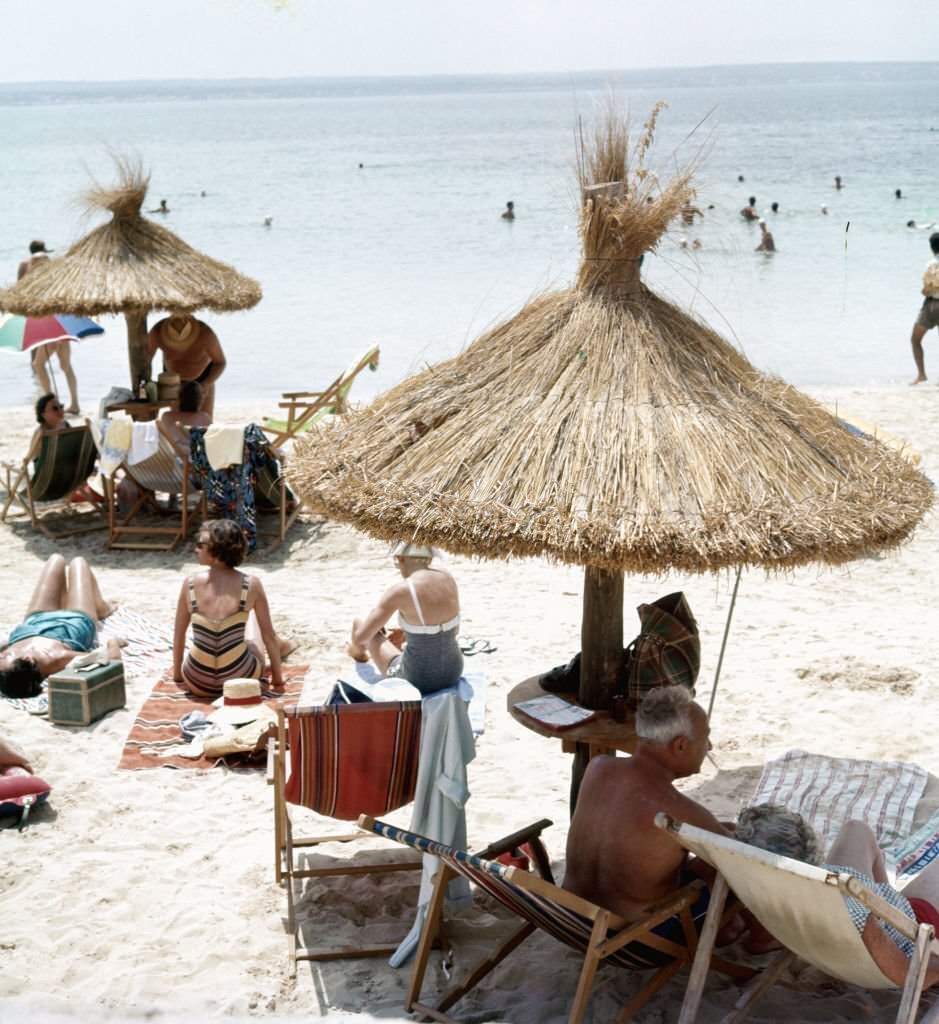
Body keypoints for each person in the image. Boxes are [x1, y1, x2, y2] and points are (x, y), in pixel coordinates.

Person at [564, 686, 727, 923]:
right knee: (733, 867)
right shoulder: (678, 809)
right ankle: (753, 937)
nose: (709, 747)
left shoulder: (598, 768)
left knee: (720, 837)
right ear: (680, 746)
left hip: (572, 917)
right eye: (705, 738)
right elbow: (744, 863)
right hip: (635, 934)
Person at [736, 805, 939, 984]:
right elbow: (905, 975)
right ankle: (888, 908)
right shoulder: (856, 914)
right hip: (915, 934)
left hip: (843, 924)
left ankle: (887, 905)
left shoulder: (760, 886)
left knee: (856, 829)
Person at [173, 519, 293, 697]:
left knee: (232, 632)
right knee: (252, 631)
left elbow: (179, 634)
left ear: (216, 549)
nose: (195, 549)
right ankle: (285, 646)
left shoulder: (189, 584)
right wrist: (277, 680)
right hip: (241, 680)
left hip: (198, 682)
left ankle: (284, 646)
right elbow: (269, 636)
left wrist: (178, 676)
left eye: (200, 544)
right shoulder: (251, 584)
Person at [347, 542, 463, 696]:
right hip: (453, 671)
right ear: (429, 558)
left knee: (360, 623)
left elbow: (362, 637)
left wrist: (361, 640)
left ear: (400, 559)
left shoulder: (401, 590)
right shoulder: (447, 578)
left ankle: (357, 654)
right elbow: (452, 630)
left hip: (418, 679)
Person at [0, 555, 121, 699]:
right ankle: (101, 607)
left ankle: (67, 601)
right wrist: (114, 642)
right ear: (29, 660)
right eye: (6, 656)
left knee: (56, 559)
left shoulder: (9, 668)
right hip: (75, 619)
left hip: (35, 620)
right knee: (78, 563)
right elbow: (113, 659)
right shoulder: (58, 658)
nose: (2, 654)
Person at [17, 241, 80, 414]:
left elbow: (20, 289)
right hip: (62, 328)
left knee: (38, 364)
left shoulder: (36, 285)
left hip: (51, 331)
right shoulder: (56, 285)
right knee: (66, 366)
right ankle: (74, 403)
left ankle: (52, 402)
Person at [147, 313, 226, 418]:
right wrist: (150, 386)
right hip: (173, 383)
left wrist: (206, 383)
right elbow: (144, 362)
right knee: (177, 421)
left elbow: (220, 362)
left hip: (202, 379)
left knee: (204, 421)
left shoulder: (205, 334)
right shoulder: (157, 331)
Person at [909, 231, 939, 384]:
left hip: (932, 305)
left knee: (915, 339)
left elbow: (928, 289)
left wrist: (924, 291)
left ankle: (921, 374)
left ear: (931, 247)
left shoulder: (931, 264)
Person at [157, 380, 211, 458]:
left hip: (175, 457)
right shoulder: (205, 417)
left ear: (178, 399)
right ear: (200, 401)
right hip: (198, 458)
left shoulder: (167, 417)